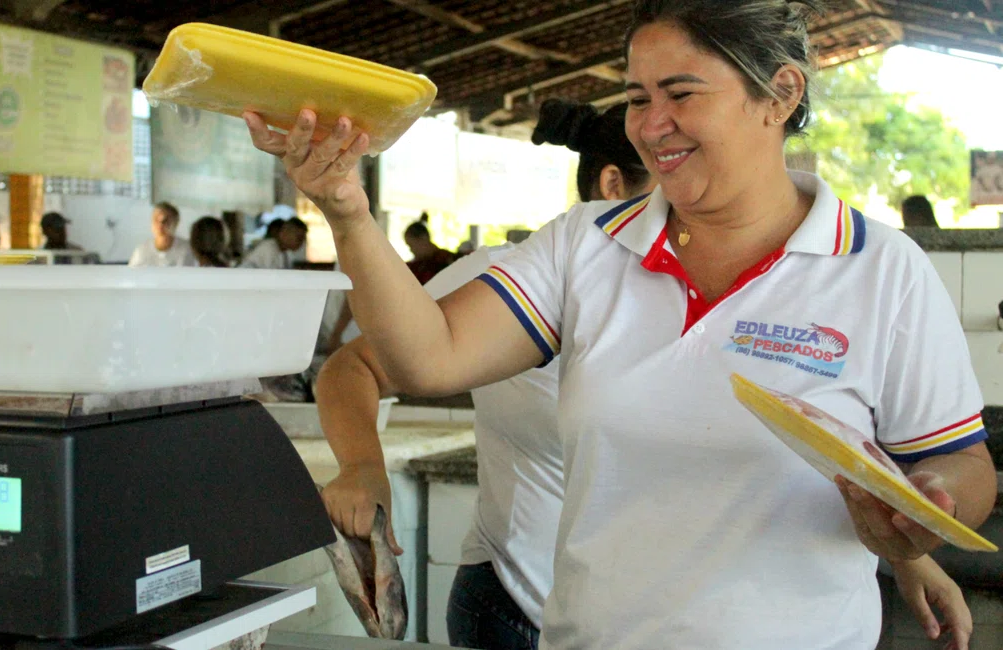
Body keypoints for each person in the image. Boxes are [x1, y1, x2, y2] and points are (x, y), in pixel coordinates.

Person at [243, 0, 996, 647]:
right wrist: (346, 207)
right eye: (637, 98)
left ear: (779, 94)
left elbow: (965, 465)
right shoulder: (587, 246)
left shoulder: (880, 269)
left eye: (680, 93)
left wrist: (928, 510)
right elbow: (426, 359)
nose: (651, 125)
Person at [129, 202, 197, 267]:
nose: (160, 225)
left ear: (176, 223)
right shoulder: (141, 251)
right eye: (156, 219)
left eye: (166, 220)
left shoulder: (187, 250)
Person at [403, 213, 458, 285]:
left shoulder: (445, 259)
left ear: (423, 238)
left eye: (411, 245)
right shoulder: (417, 265)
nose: (411, 250)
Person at [240, 217, 309, 269]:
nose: (301, 243)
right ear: (284, 234)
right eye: (299, 238)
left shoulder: (286, 254)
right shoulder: (267, 248)